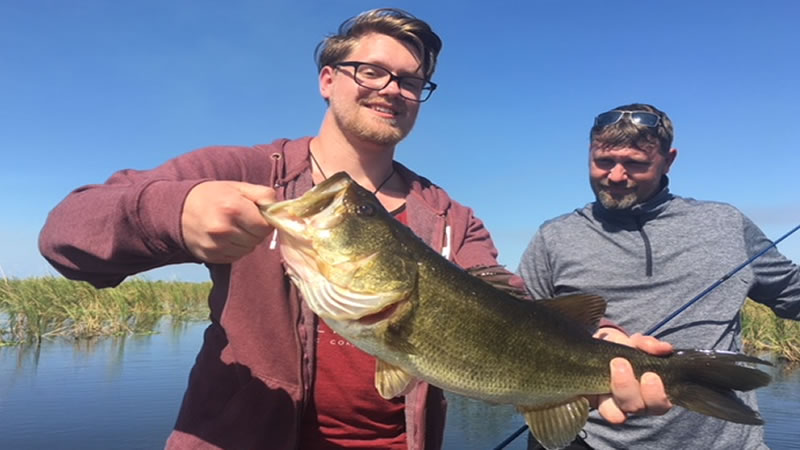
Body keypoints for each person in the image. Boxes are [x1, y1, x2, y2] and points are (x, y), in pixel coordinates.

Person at [40, 9, 668, 449]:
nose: (392, 88)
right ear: (328, 79)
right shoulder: (244, 171)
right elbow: (67, 233)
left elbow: (507, 303)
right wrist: (173, 212)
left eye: (412, 80)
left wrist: (602, 339)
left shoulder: (451, 216)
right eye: (371, 70)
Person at [519, 103, 800, 449]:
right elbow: (517, 331)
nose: (616, 176)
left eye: (636, 164)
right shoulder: (553, 238)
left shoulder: (725, 223)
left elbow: (793, 294)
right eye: (603, 162)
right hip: (588, 441)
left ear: (668, 161)